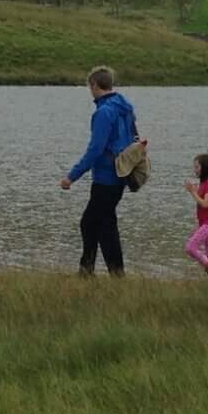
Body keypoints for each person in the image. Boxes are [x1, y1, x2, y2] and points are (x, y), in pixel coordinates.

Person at [59, 65, 141, 276]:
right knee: (103, 222)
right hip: (121, 174)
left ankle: (97, 272)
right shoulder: (126, 107)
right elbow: (135, 139)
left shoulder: (103, 112)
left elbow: (95, 150)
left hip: (106, 177)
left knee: (92, 224)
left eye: (90, 86)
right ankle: (101, 272)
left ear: (94, 84)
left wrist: (71, 176)